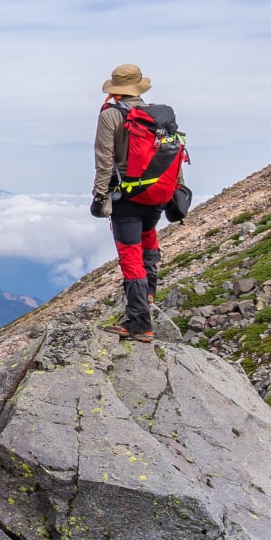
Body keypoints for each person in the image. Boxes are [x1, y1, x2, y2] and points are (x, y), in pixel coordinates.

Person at [91, 63, 165, 342]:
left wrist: (101, 196)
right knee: (149, 240)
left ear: (116, 91)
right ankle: (148, 296)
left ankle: (139, 322)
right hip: (157, 193)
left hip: (126, 196)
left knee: (130, 255)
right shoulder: (157, 115)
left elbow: (104, 158)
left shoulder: (111, 115)